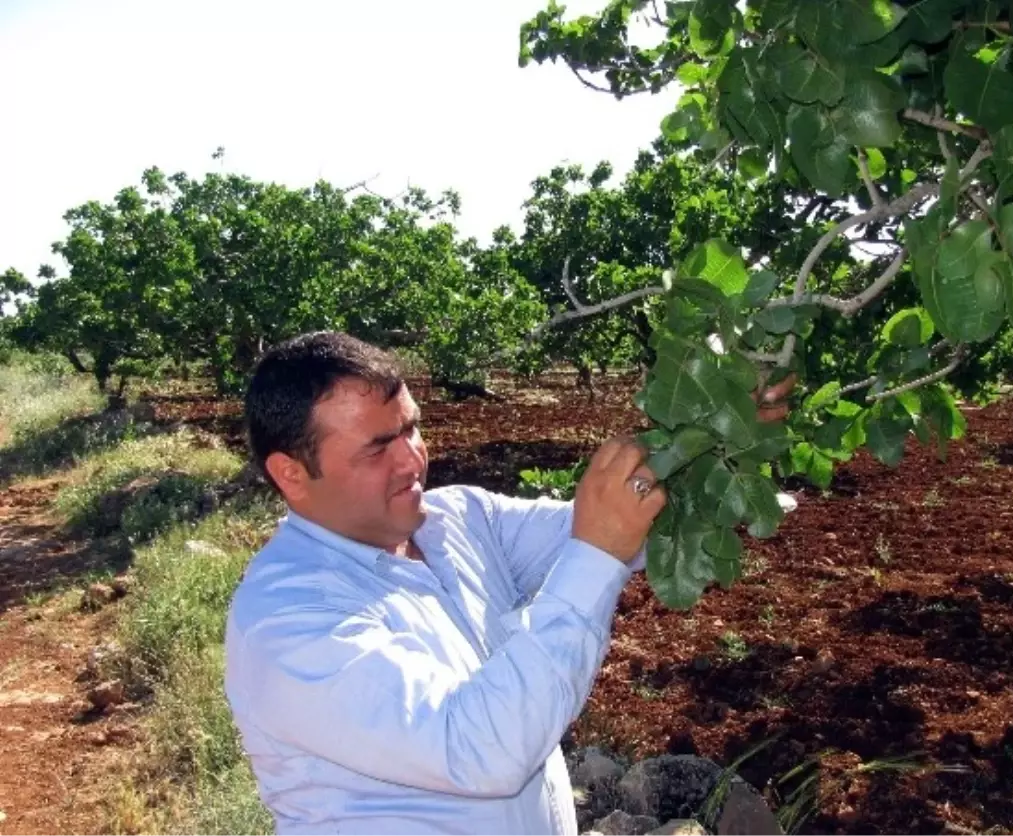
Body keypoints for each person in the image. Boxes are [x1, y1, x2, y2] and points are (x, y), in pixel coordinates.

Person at [224, 331, 793, 835]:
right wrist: (597, 552)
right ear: (291, 474)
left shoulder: (460, 521)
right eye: (378, 447)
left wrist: (715, 432)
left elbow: (622, 526)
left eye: (411, 428)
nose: (413, 460)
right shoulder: (286, 618)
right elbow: (479, 749)